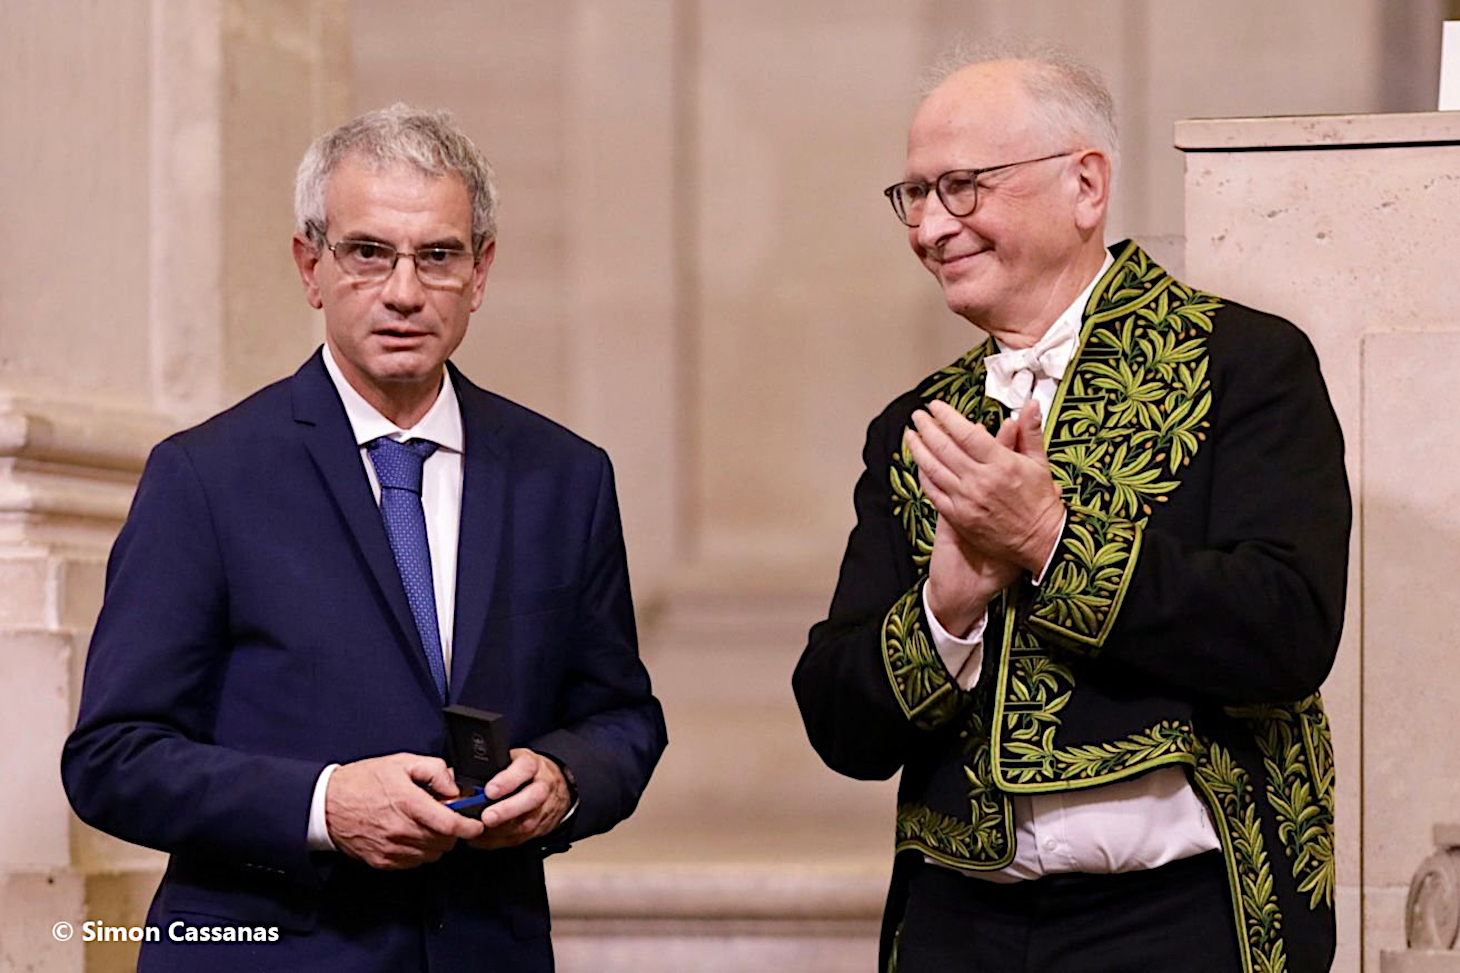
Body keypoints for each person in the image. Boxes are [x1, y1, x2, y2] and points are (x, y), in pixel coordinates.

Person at [63, 104, 666, 972]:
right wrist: (323, 803)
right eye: (369, 252)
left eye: (438, 255)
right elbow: (112, 758)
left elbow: (621, 715)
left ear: (481, 270)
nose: (405, 291)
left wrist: (567, 779)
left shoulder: (564, 477)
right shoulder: (207, 477)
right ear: (311, 265)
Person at [793, 47, 1349, 973]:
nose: (931, 226)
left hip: (1181, 922)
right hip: (957, 923)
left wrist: (1050, 540)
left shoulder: (1244, 365)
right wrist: (946, 611)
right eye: (915, 195)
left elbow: (1287, 633)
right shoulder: (916, 426)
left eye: (963, 186)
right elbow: (839, 725)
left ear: (1085, 185)